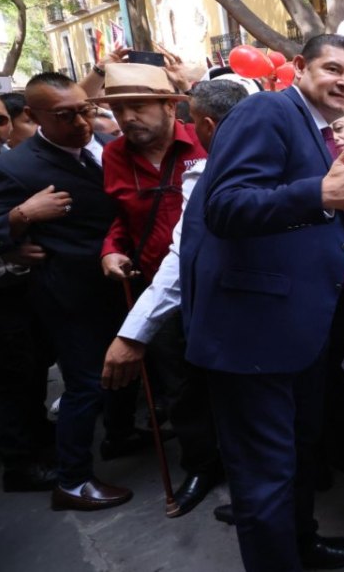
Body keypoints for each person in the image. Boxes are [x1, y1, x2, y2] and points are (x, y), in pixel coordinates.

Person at [180, 34, 344, 571]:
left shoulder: (320, 133)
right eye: (334, 69)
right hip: (252, 333)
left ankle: (301, 543)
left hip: (300, 329)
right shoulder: (267, 110)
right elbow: (225, 206)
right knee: (265, 474)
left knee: (298, 455)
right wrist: (319, 195)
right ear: (299, 68)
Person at [0, 73, 130, 510]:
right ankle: (73, 481)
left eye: (85, 110)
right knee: (86, 386)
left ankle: (122, 435)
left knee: (125, 372)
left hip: (119, 284)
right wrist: (22, 215)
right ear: (33, 116)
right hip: (70, 296)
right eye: (65, 115)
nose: (80, 121)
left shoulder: (105, 148)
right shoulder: (13, 167)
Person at [100, 79, 248, 519]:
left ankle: (248, 469)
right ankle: (201, 465)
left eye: (139, 105)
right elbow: (117, 219)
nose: (128, 118)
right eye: (119, 109)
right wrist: (110, 249)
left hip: (221, 289)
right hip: (157, 291)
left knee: (235, 383)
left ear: (170, 106)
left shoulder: (212, 139)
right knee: (180, 387)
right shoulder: (112, 156)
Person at [0, 88, 56, 493]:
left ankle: (32, 442)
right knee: (6, 379)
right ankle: (20, 464)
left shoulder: (3, 163)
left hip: (23, 290)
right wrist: (12, 238)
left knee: (29, 371)